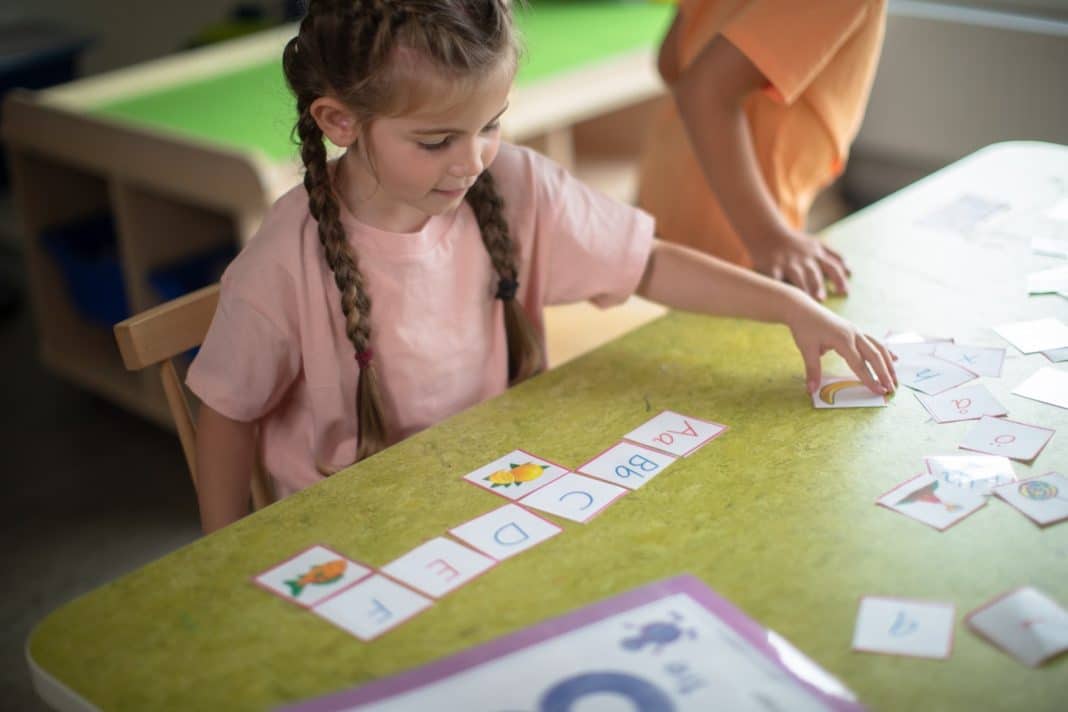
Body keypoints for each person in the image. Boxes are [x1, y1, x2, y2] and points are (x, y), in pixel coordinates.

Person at [188, 0, 896, 534]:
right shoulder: (287, 256)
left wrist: (794, 308)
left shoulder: (517, 186)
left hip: (495, 496)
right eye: (436, 141)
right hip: (351, 538)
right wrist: (220, 554)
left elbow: (647, 265)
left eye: (491, 126)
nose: (471, 162)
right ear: (339, 123)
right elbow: (225, 411)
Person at [638, 0, 887, 302]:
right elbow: (704, 89)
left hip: (665, 195)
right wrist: (769, 238)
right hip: (742, 234)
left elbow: (670, 62)